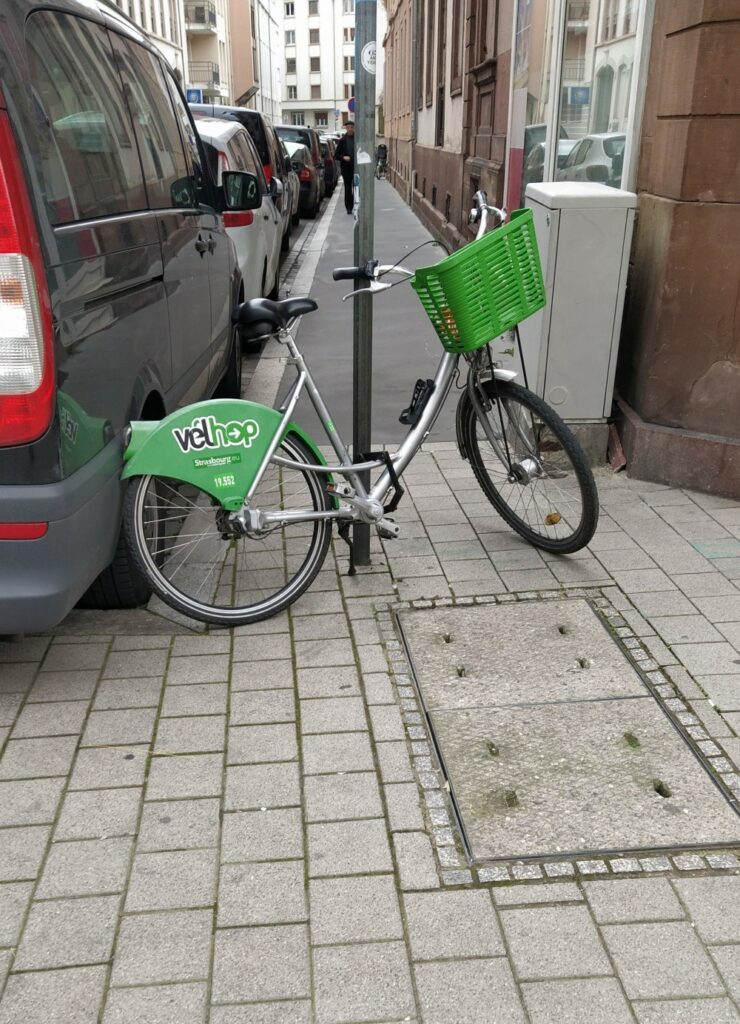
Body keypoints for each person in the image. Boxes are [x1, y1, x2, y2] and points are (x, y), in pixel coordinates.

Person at [334, 121, 355, 214]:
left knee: (358, 187)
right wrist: (343, 157)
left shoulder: (357, 139)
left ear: (354, 128)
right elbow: (336, 155)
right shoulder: (342, 140)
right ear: (346, 128)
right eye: (348, 127)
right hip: (346, 168)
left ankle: (357, 204)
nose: (350, 129)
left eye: (351, 127)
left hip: (356, 167)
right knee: (348, 188)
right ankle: (349, 207)